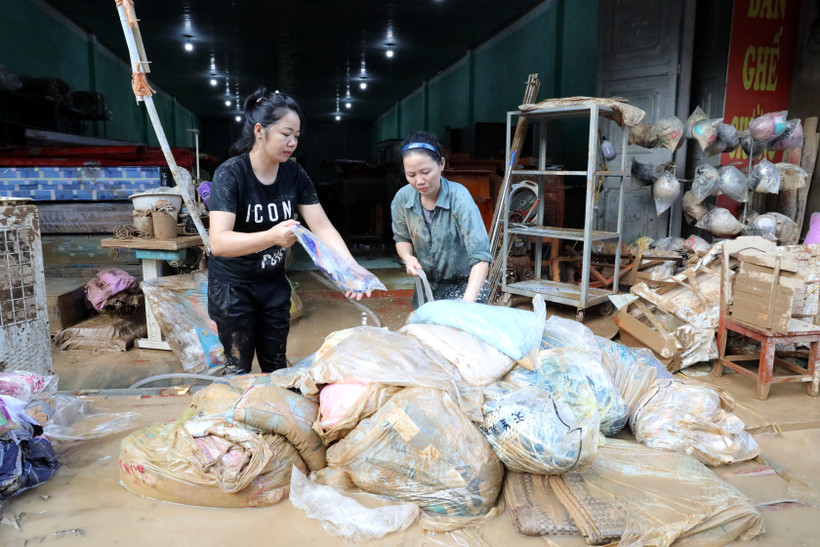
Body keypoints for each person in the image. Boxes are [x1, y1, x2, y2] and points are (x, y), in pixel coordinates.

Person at [207, 87, 367, 374]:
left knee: (276, 368)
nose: (292, 142)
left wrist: (350, 268)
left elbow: (322, 226)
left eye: (296, 136)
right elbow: (218, 242)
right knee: (238, 369)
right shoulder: (231, 174)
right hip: (233, 287)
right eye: (285, 133)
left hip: (273, 284)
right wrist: (271, 236)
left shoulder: (294, 174)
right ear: (260, 130)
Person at [390, 131, 491, 307]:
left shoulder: (459, 197)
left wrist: (467, 304)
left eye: (426, 172)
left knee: (459, 332)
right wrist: (408, 258)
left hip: (466, 285)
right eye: (411, 175)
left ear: (442, 164)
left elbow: (481, 256)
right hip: (428, 285)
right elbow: (402, 239)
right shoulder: (402, 198)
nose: (419, 181)